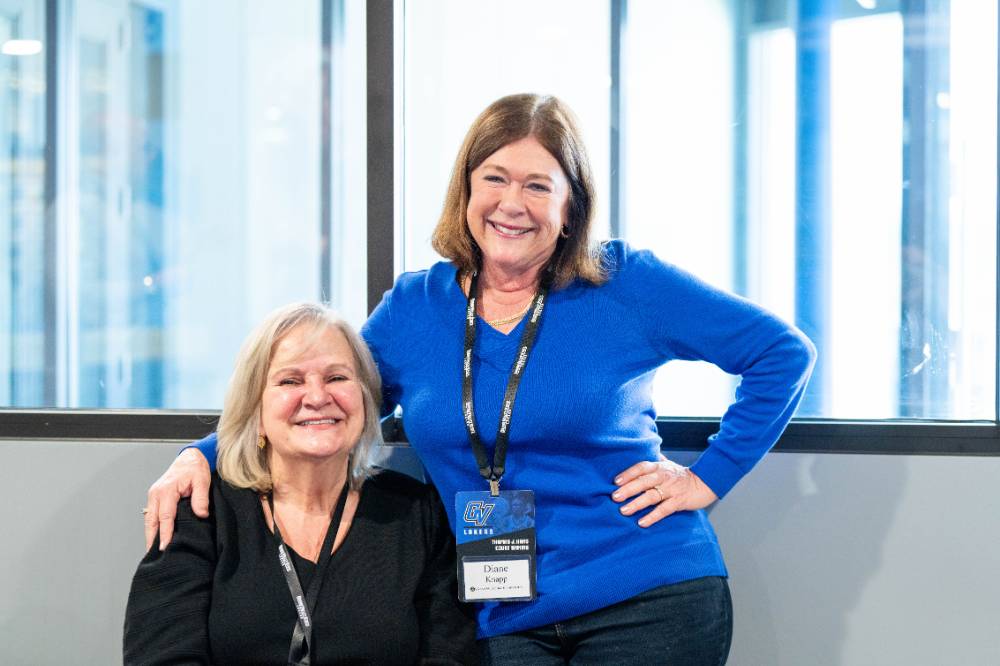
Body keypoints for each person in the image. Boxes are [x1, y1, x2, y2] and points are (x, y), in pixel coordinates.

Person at [144, 94, 815, 664]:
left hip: (645, 592)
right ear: (465, 190)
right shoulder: (416, 307)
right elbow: (327, 399)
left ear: (572, 205)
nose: (511, 204)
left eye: (537, 185)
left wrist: (706, 477)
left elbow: (782, 353)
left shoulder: (624, 282)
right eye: (493, 178)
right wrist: (200, 455)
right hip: (502, 609)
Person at [124, 303, 477, 665]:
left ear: (366, 401)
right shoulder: (200, 513)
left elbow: (449, 654)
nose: (317, 397)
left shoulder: (417, 514)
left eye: (337, 378)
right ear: (255, 411)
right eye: (290, 381)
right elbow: (162, 658)